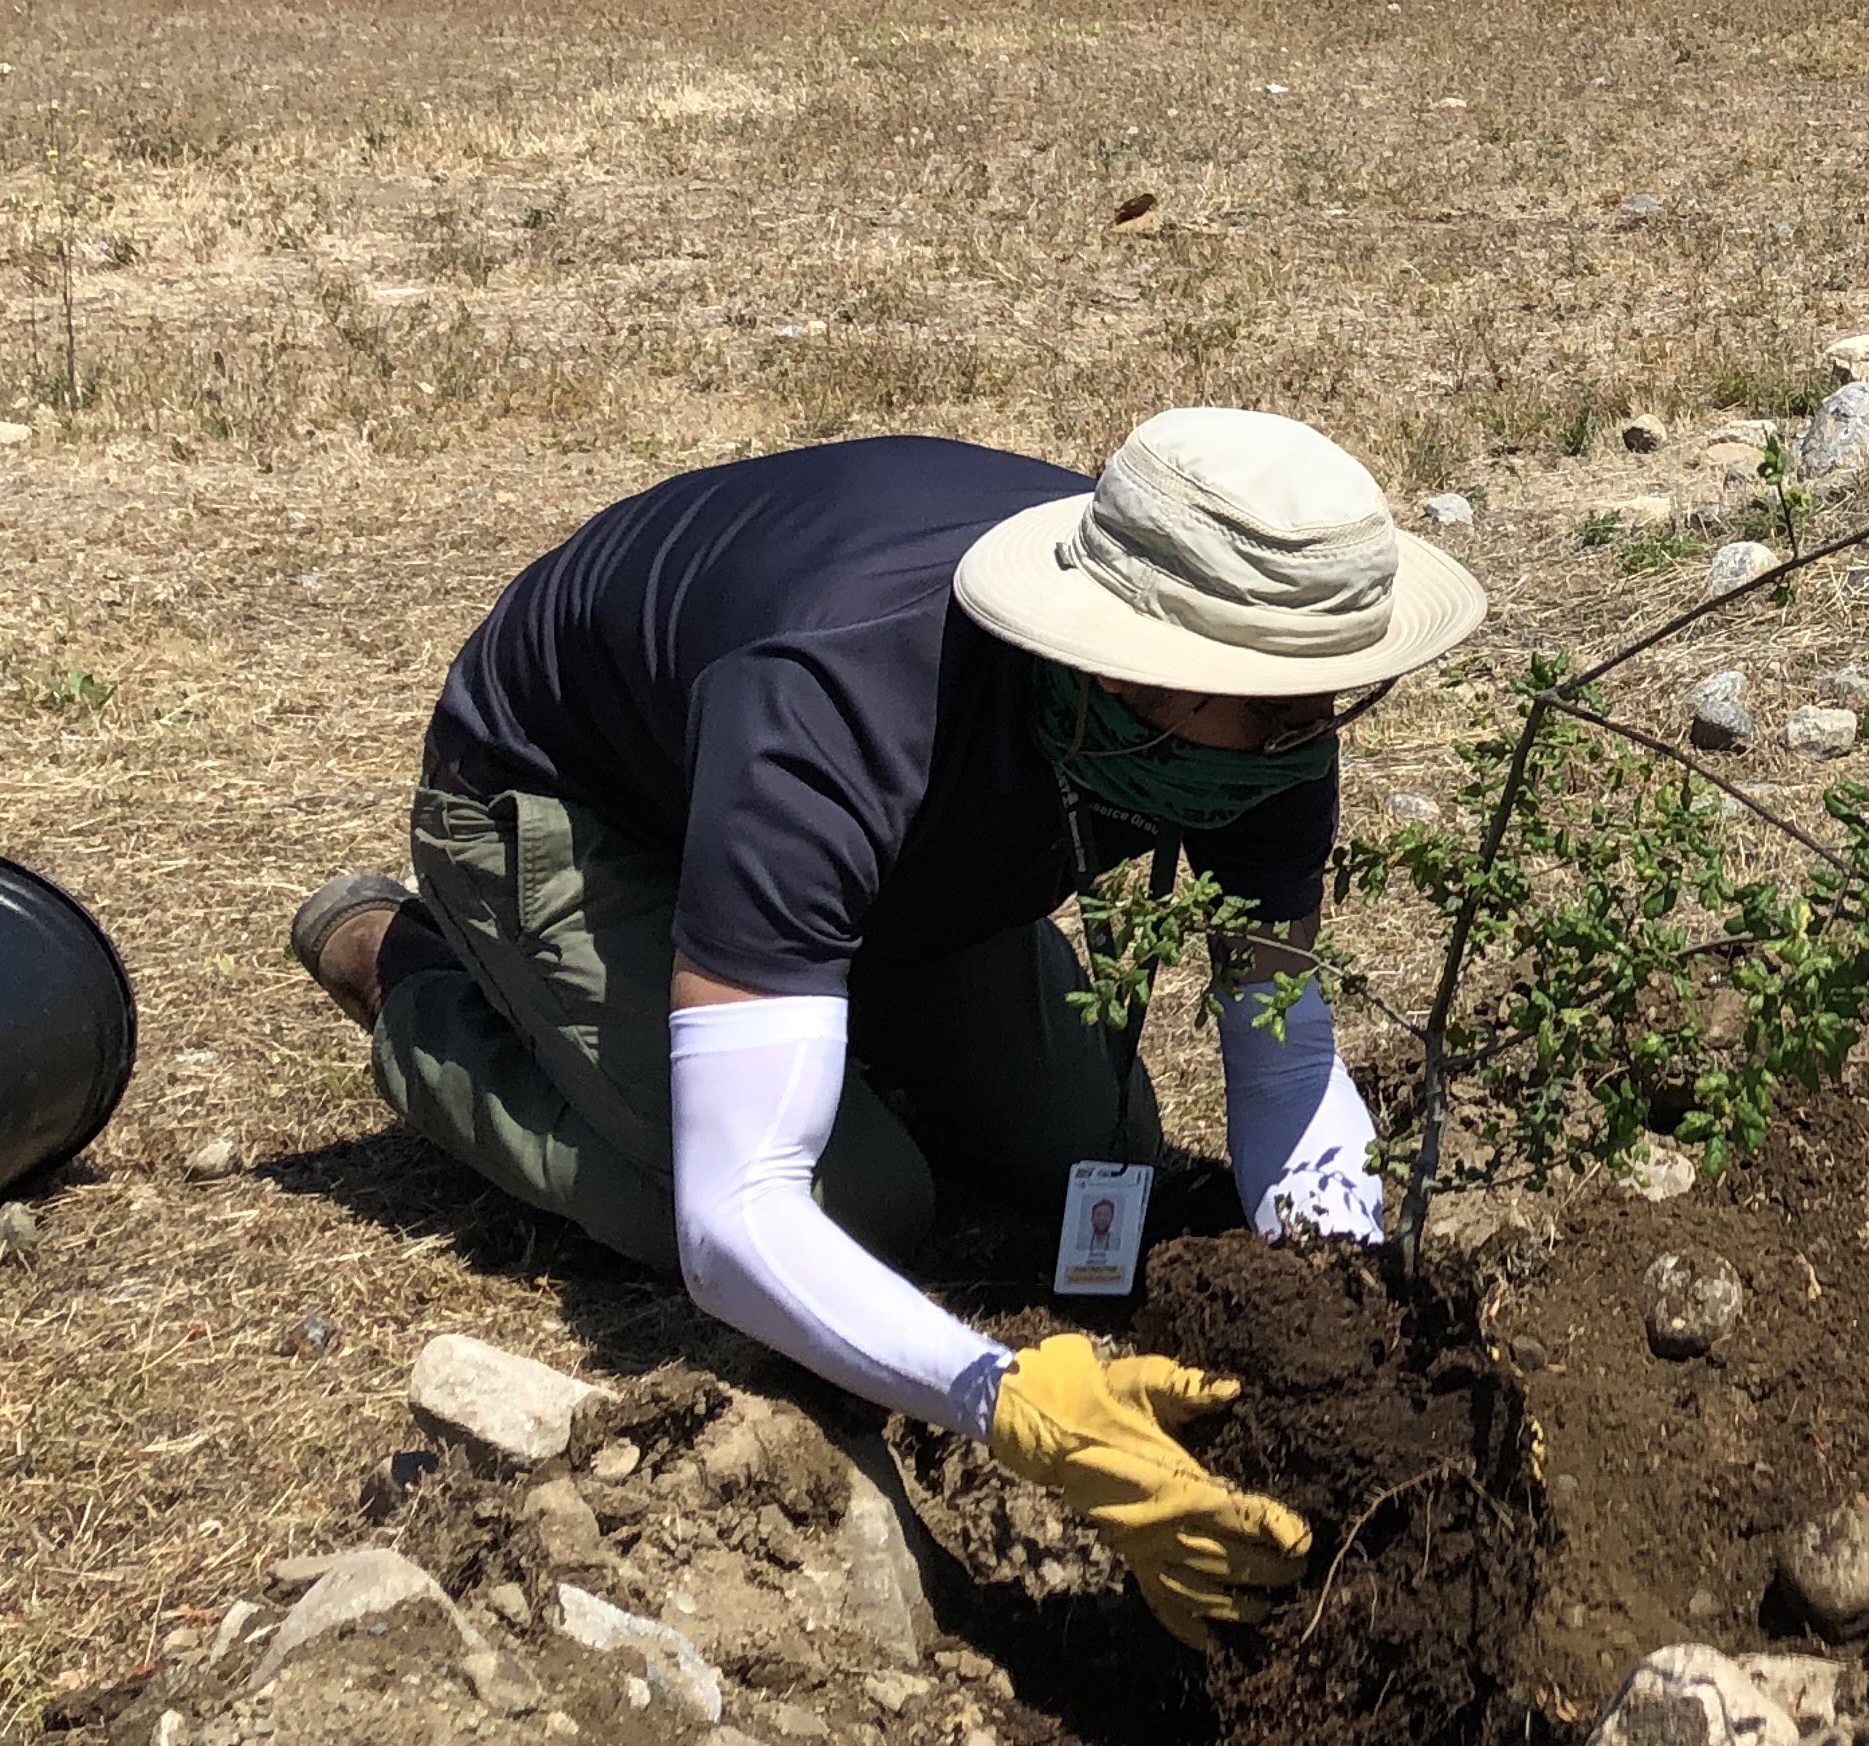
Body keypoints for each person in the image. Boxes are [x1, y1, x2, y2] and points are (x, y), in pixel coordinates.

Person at [290, 409, 1483, 1645]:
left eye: (1322, 704)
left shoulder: (1267, 702)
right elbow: (735, 1220)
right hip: (580, 809)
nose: (1308, 738)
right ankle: (418, 982)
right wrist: (1005, 1398)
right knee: (857, 1205)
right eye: (1272, 713)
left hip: (889, 867)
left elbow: (1283, 1060)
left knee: (1099, 1150)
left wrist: (1341, 1313)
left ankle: (800, 1004)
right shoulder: (835, 700)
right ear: (1130, 667)